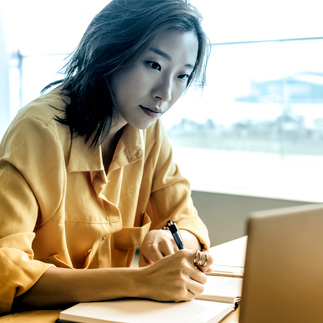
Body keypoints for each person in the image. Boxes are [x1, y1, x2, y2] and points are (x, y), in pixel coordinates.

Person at [0, 0, 213, 314]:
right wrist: (140, 281)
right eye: (154, 65)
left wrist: (175, 240)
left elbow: (187, 221)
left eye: (182, 76)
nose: (165, 93)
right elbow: (6, 275)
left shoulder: (149, 131)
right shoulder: (39, 131)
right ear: (110, 52)